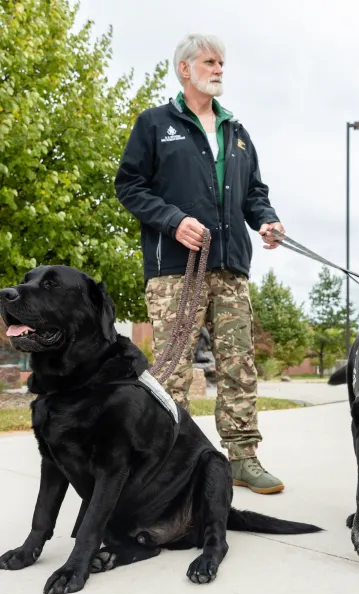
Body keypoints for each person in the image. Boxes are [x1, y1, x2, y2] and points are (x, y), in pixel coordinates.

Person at [115, 33, 286, 494]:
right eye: (210, 61)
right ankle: (165, 460)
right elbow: (129, 185)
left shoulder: (237, 133)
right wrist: (173, 221)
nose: (219, 69)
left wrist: (266, 222)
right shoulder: (155, 124)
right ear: (185, 69)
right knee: (173, 369)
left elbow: (254, 194)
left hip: (230, 268)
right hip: (176, 269)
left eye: (222, 63)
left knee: (238, 363)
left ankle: (243, 458)